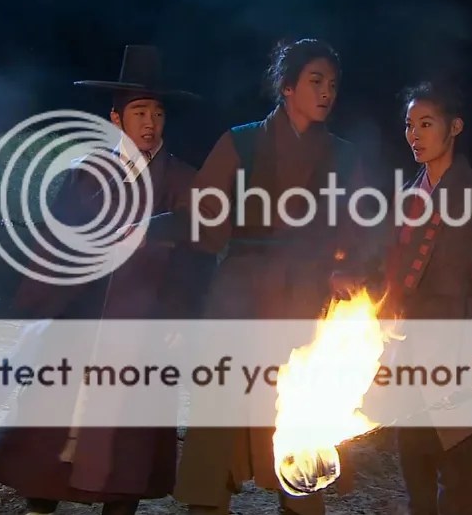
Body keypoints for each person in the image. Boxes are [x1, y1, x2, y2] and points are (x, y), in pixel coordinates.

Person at [145, 38, 373, 515]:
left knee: (302, 420)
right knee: (220, 412)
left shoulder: (344, 157)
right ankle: (208, 505)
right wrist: (146, 229)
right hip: (240, 298)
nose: (326, 92)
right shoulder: (241, 143)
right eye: (315, 81)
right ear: (287, 87)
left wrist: (346, 267)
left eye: (333, 85)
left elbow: (358, 230)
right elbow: (202, 218)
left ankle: (301, 500)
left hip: (306, 303)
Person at [0, 45, 201, 515]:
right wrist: (40, 305)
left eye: (158, 113)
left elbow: (196, 251)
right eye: (139, 112)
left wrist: (179, 314)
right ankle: (40, 505)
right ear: (116, 119)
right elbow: (55, 243)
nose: (150, 123)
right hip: (80, 318)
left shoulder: (183, 181)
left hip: (143, 326)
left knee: (129, 445)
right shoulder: (86, 174)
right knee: (50, 432)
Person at [331, 80, 472, 515]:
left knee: (467, 473)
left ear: (454, 127)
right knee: (417, 471)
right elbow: (392, 277)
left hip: (462, 345)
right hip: (408, 349)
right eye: (409, 125)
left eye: (426, 123)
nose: (414, 135)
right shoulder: (406, 197)